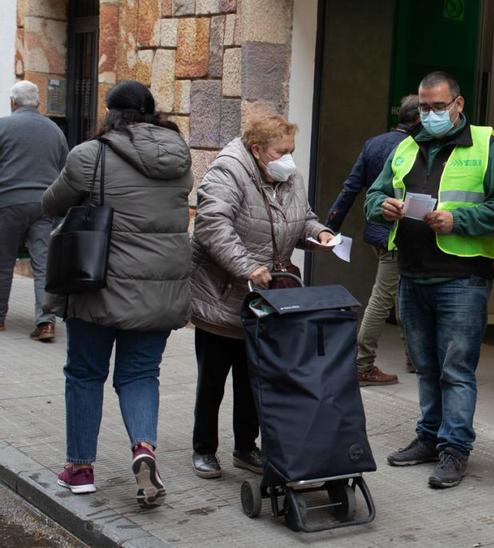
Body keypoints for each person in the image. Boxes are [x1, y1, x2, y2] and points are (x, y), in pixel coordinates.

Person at [42, 80, 192, 507]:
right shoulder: (179, 157)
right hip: (161, 289)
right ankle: (144, 449)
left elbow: (52, 204)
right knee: (141, 374)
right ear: (150, 112)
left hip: (98, 288)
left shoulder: (90, 154)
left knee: (85, 374)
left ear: (110, 113)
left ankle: (80, 468)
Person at [365, 71, 494, 489]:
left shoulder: (487, 146)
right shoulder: (406, 148)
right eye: (424, 108)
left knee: (456, 370)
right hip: (412, 275)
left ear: (458, 104)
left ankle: (454, 448)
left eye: (438, 107)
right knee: (427, 368)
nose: (430, 115)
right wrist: (386, 207)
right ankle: (429, 437)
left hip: (462, 279)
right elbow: (373, 197)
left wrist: (458, 219)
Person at [189, 112, 335, 480]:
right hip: (222, 296)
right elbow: (212, 226)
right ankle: (204, 449)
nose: (290, 158)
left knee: (256, 376)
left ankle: (244, 447)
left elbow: (302, 218)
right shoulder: (228, 172)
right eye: (281, 151)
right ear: (257, 150)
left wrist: (319, 233)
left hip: (266, 298)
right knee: (213, 378)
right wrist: (245, 267)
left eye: (292, 150)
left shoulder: (288, 175)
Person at [324, 94, 421, 386]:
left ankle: (413, 357)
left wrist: (330, 227)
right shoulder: (415, 147)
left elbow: (350, 188)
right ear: (417, 119)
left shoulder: (374, 144)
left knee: (404, 294)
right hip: (397, 234)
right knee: (384, 297)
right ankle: (362, 364)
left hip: (379, 233)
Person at [0, 80, 68, 341]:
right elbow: (65, 169)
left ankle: (0, 319)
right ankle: (46, 323)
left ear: (13, 102)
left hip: (8, 203)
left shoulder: (3, 126)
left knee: (3, 264)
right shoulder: (54, 130)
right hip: (44, 205)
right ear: (38, 102)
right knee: (43, 265)